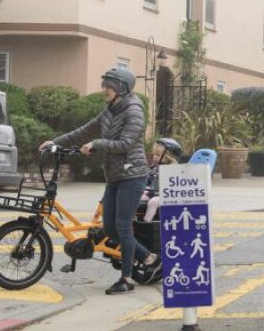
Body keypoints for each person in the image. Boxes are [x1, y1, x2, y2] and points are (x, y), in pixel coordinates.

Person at [39, 67, 160, 295]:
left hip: (132, 175)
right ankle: (150, 257)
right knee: (111, 229)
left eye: (108, 86)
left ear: (121, 88)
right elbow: (85, 130)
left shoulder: (134, 110)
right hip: (114, 176)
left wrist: (97, 144)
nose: (104, 89)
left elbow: (125, 143)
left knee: (123, 227)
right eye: (104, 84)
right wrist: (55, 142)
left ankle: (126, 279)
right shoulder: (110, 109)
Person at [142, 138, 182, 222]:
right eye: (154, 154)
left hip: (167, 196)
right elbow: (148, 180)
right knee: (136, 196)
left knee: (153, 202)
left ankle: (147, 221)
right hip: (152, 192)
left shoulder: (173, 169)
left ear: (168, 156)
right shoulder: (155, 167)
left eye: (158, 155)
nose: (154, 157)